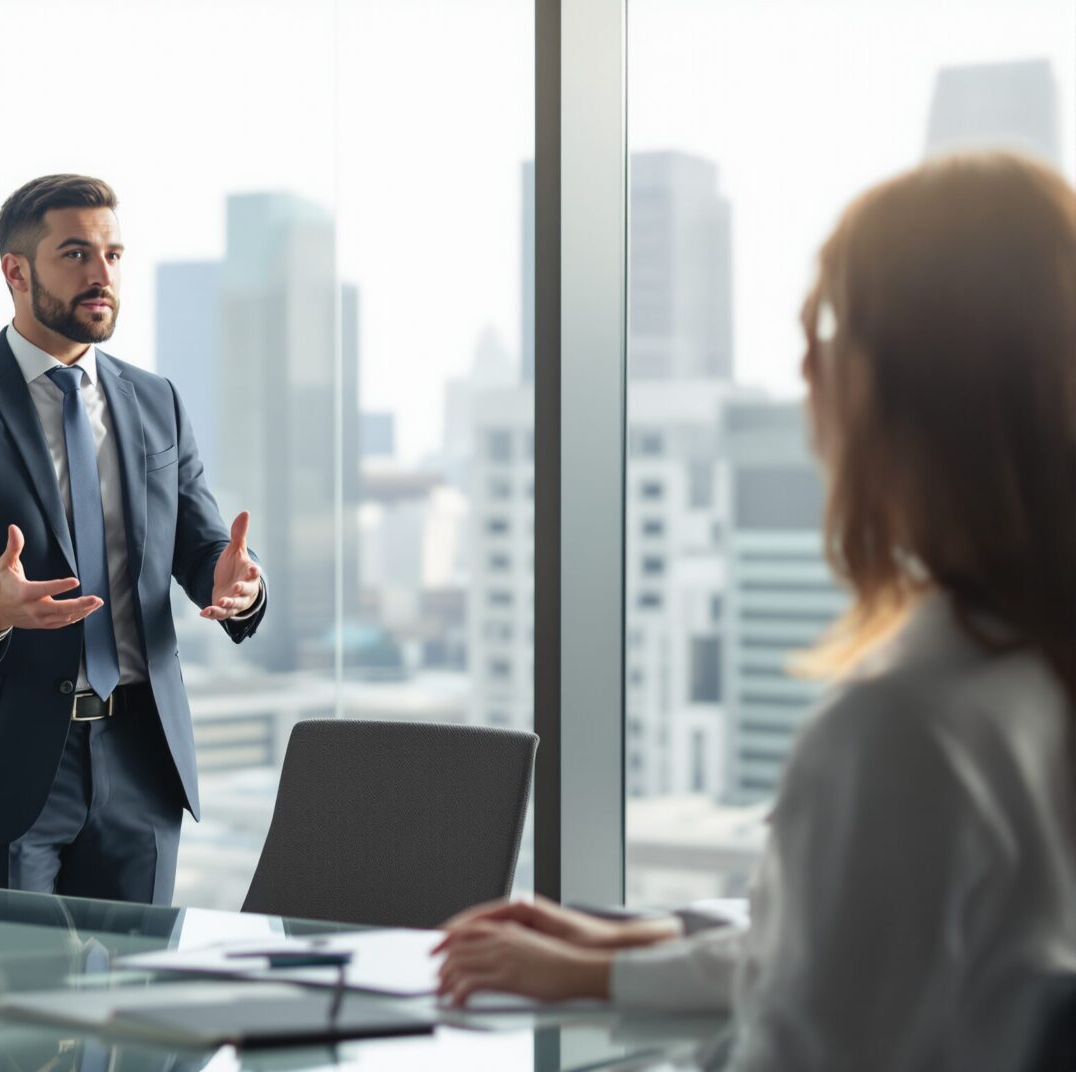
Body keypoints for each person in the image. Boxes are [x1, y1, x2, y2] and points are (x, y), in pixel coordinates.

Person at [435, 151, 1076, 1070]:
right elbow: (886, 957)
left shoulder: (901, 727)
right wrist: (618, 951)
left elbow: (804, 1040)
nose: (804, 360)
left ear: (912, 380)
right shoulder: (1027, 672)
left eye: (828, 323)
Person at [0, 174, 267, 905]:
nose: (101, 275)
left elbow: (203, 549)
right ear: (15, 272)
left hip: (142, 764)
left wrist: (237, 586)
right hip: (3, 769)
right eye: (76, 254)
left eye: (113, 255)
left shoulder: (157, 401)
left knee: (134, 1010)